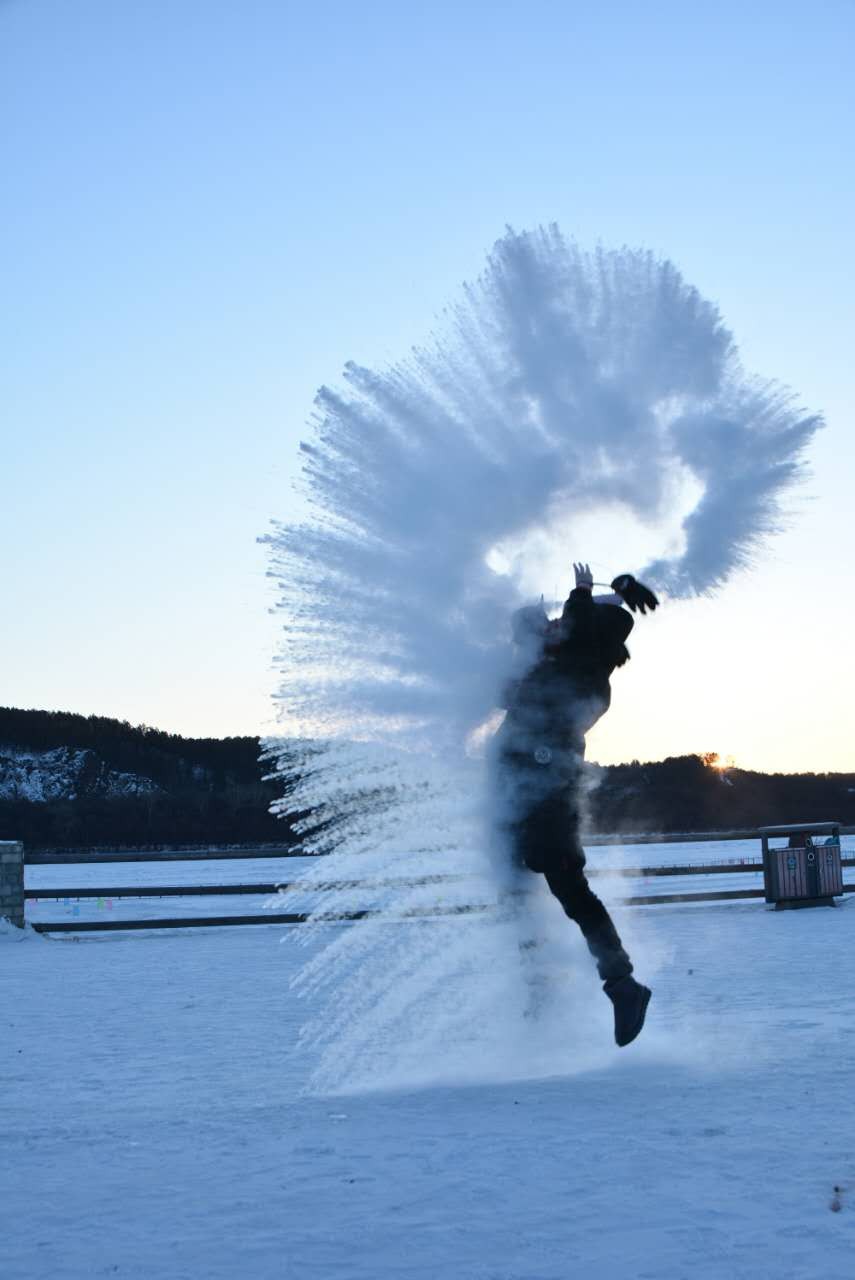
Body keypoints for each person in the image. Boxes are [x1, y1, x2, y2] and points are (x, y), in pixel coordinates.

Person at [494, 562, 658, 1047]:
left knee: (566, 881)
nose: (550, 628)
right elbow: (508, 682)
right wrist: (619, 587)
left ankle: (621, 983)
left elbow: (586, 625)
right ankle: (540, 983)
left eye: (554, 624)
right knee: (511, 878)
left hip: (548, 783)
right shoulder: (556, 664)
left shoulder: (584, 660)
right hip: (516, 786)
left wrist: (587, 590)